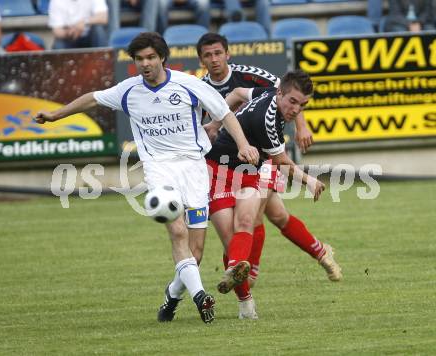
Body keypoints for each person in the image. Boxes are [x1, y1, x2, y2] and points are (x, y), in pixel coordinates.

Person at [34, 32, 259, 324]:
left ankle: (172, 296)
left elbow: (225, 113)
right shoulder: (128, 90)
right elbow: (92, 99)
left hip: (193, 168)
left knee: (196, 252)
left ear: (162, 58)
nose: (145, 64)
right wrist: (55, 115)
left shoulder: (187, 84)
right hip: (158, 168)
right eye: (139, 59)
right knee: (177, 232)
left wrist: (243, 145)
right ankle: (201, 296)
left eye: (151, 57)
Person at [196, 33, 342, 318]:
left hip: (252, 168)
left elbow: (241, 93)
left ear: (227, 54)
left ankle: (245, 273)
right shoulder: (263, 117)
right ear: (201, 59)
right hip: (218, 168)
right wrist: (309, 179)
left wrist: (217, 123)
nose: (296, 110)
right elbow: (282, 160)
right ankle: (247, 284)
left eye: (302, 106)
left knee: (253, 220)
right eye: (293, 103)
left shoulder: (261, 86)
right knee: (255, 225)